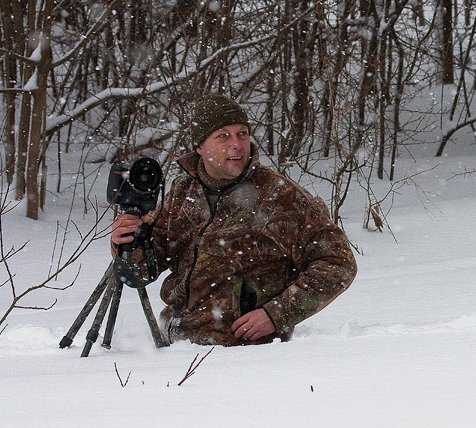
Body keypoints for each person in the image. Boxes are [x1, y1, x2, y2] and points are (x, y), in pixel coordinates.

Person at [111, 94, 357, 345]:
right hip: (174, 347)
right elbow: (143, 271)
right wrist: (129, 240)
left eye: (242, 133)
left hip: (244, 356)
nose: (237, 144)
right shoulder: (183, 193)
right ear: (200, 147)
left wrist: (275, 315)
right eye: (223, 136)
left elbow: (337, 264)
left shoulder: (281, 197)